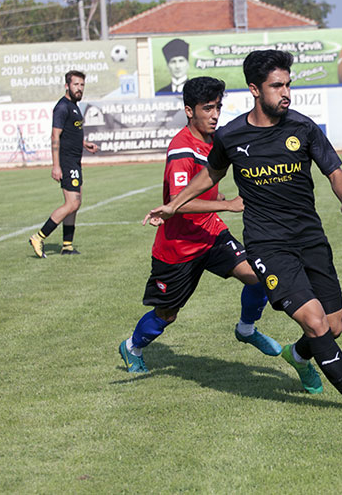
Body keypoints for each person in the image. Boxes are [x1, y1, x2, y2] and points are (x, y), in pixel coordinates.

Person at [148, 50, 342, 414]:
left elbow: (335, 172)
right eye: (277, 85)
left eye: (288, 84)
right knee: (313, 320)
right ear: (255, 90)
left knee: (332, 326)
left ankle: (297, 355)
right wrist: (174, 204)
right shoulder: (231, 136)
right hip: (267, 245)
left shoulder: (303, 127)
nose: (286, 92)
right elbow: (210, 175)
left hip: (311, 239)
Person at [118, 76, 283, 373]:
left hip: (210, 232)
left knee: (259, 276)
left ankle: (246, 329)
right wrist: (228, 204)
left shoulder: (214, 141)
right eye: (208, 108)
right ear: (189, 110)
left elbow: (206, 186)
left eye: (218, 107)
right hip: (178, 247)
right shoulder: (181, 149)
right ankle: (132, 347)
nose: (215, 114)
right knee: (167, 314)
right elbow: (178, 203)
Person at [29, 70, 99, 257]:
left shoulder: (74, 106)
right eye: (76, 84)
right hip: (67, 162)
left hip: (75, 161)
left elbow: (70, 133)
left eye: (82, 85)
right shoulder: (62, 107)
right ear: (67, 86)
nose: (79, 88)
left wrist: (85, 144)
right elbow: (55, 135)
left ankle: (67, 245)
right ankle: (38, 236)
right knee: (72, 203)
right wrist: (56, 165)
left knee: (76, 202)